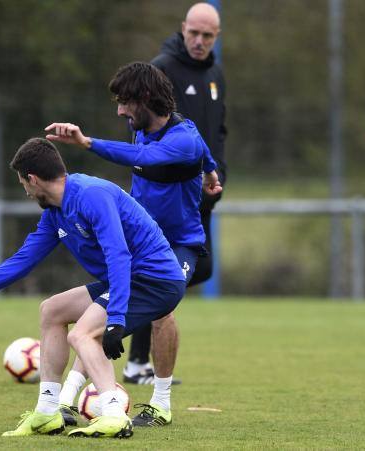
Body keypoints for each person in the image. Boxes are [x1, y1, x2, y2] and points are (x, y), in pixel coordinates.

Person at [0, 138, 186, 438]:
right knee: (52, 310)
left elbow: (118, 256)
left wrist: (116, 320)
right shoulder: (55, 212)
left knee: (82, 334)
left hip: (155, 280)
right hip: (129, 279)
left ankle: (113, 414)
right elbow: (23, 260)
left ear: (32, 178)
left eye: (23, 183)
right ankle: (47, 413)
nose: (26, 192)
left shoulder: (91, 195)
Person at [44, 61, 221, 427]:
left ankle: (161, 403)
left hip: (179, 246)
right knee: (101, 311)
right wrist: (212, 171)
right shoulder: (141, 127)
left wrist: (87, 142)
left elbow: (150, 157)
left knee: (162, 313)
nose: (120, 111)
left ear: (144, 98)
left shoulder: (182, 138)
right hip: (140, 244)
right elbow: (203, 152)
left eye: (125, 102)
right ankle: (66, 400)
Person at [123, 1, 227, 386]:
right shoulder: (162, 68)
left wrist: (218, 170)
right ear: (183, 28)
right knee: (163, 276)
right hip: (168, 198)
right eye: (194, 33)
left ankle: (137, 351)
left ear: (217, 36)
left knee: (201, 268)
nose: (199, 41)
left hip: (203, 195)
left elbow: (217, 130)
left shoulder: (215, 73)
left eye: (207, 36)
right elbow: (141, 130)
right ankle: (136, 363)